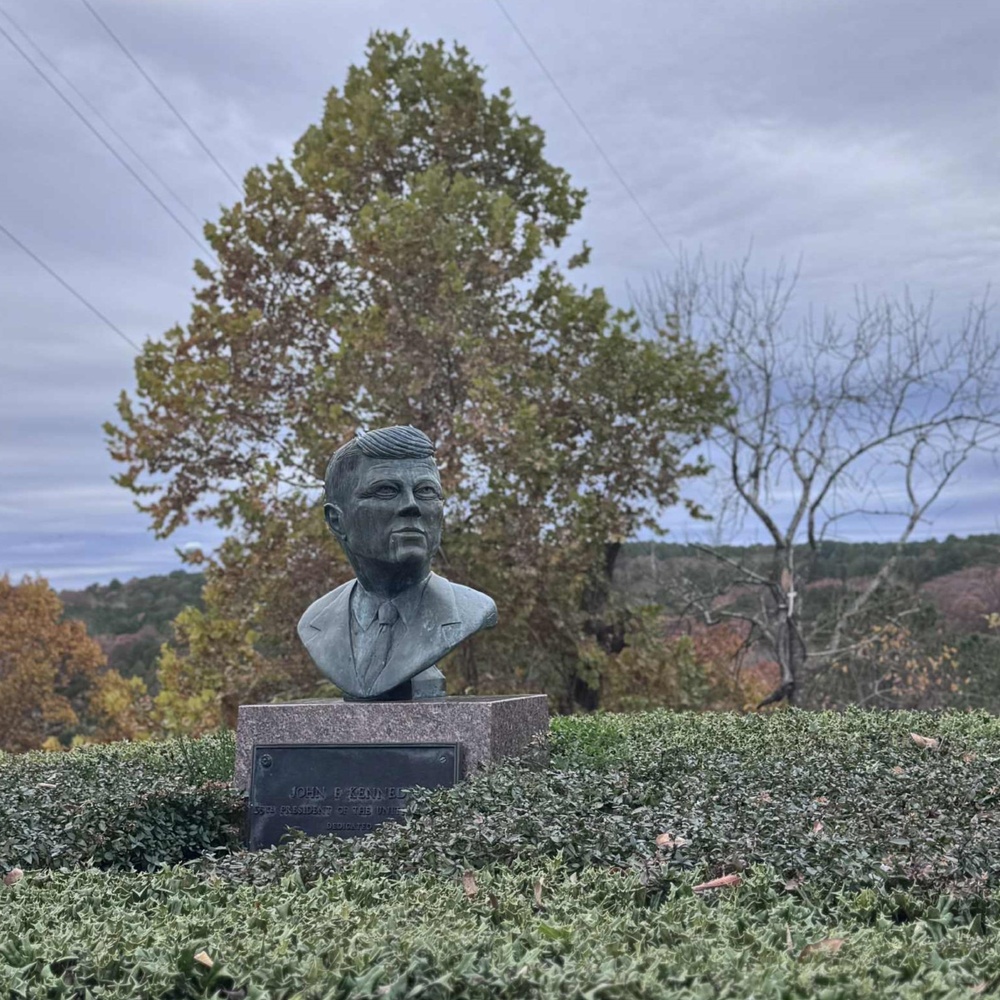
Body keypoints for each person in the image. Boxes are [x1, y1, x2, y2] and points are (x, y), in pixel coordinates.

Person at [298, 425, 497, 700]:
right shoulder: (316, 622)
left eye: (426, 490)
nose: (411, 505)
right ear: (336, 520)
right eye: (386, 491)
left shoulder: (473, 610)